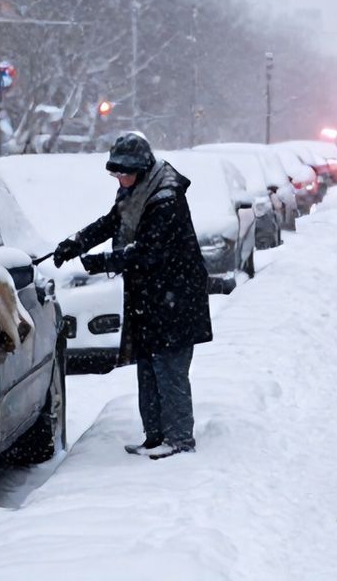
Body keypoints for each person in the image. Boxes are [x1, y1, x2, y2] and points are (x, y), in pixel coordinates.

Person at [52, 133, 212, 459]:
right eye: (115, 173)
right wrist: (75, 243)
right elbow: (112, 222)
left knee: (170, 371)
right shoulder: (136, 192)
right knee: (149, 368)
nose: (119, 179)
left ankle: (179, 440)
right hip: (152, 298)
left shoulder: (165, 199)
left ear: (141, 169)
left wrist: (101, 262)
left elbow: (148, 252)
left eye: (123, 173)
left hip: (175, 298)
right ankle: (155, 437)